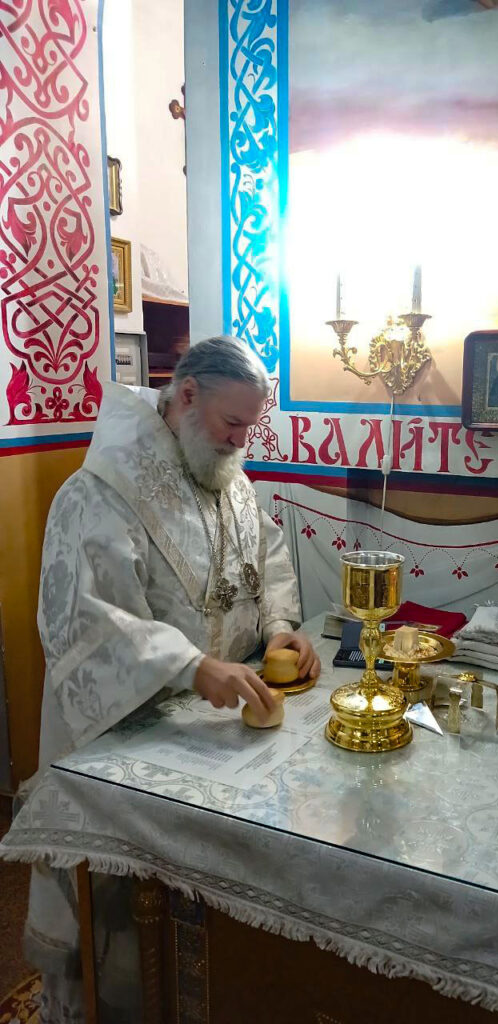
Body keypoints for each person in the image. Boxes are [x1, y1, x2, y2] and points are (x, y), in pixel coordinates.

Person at [26, 336, 320, 1023]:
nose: (242, 440)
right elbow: (86, 622)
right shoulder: (100, 492)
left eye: (250, 426)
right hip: (129, 736)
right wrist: (190, 666)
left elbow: (266, 552)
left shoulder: (220, 468)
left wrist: (280, 625)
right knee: (130, 935)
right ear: (187, 396)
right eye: (233, 423)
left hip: (218, 739)